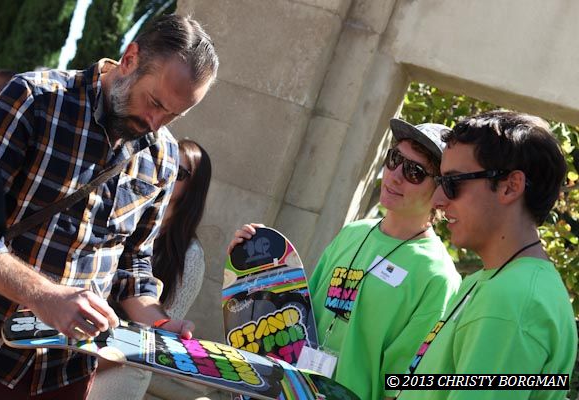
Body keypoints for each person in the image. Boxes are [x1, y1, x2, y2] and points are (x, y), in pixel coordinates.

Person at [0, 14, 218, 399]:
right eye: (154, 102)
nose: (155, 123)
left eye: (173, 115)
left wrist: (158, 324)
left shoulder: (163, 155)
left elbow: (133, 262)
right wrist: (45, 296)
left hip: (68, 374)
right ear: (130, 58)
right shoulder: (34, 100)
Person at [229, 119, 461, 400]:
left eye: (415, 172)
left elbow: (401, 386)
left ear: (441, 189)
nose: (395, 175)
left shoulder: (438, 276)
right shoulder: (353, 232)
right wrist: (252, 266)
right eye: (394, 159)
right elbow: (298, 314)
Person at [397, 111, 578, 400]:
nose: (438, 200)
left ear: (510, 186)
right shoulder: (494, 281)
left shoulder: (513, 301)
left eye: (453, 183)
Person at [88, 138, 212, 400]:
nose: (169, 174)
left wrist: (91, 362)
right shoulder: (125, 215)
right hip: (81, 340)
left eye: (180, 173)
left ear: (193, 188)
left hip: (126, 361)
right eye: (168, 166)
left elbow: (160, 335)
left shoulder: (189, 255)